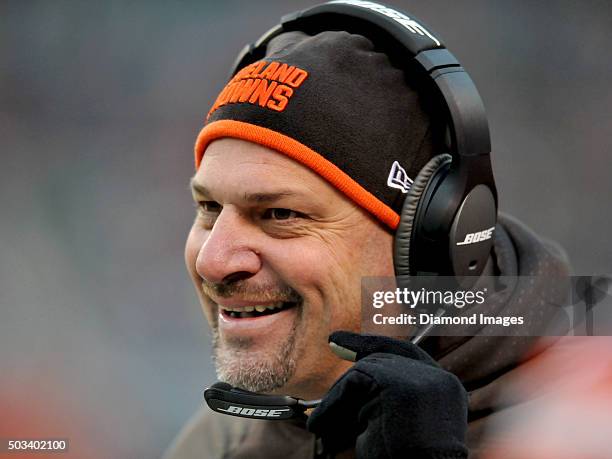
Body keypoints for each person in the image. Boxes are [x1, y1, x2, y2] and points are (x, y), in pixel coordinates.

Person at [164, 3, 574, 458]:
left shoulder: (577, 423)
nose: (213, 261)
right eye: (208, 207)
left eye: (280, 214)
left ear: (434, 243)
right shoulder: (223, 437)